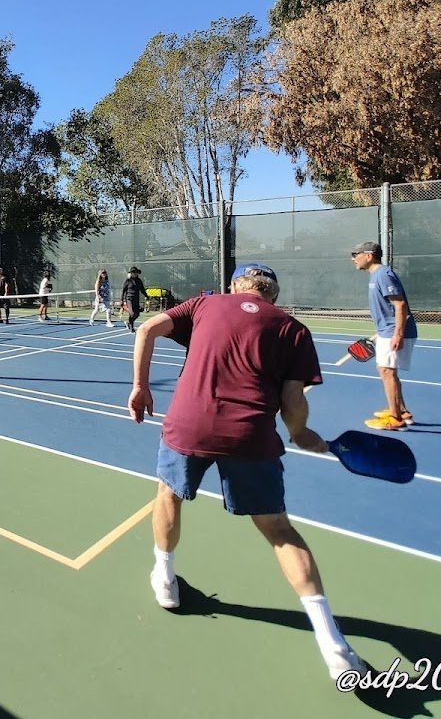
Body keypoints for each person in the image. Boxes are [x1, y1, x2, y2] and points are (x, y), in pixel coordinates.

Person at [127, 263, 364, 682]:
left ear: (235, 286)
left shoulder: (205, 304)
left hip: (189, 424)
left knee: (168, 495)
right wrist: (300, 433)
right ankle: (334, 646)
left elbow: (146, 329)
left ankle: (164, 579)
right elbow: (293, 401)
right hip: (250, 436)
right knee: (280, 531)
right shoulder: (293, 329)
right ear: (273, 294)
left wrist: (140, 386)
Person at [351, 242, 417, 430]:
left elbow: (400, 305)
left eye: (355, 254)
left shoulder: (383, 275)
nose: (353, 259)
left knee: (387, 371)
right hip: (387, 331)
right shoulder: (377, 276)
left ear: (369, 255)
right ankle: (401, 410)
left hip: (393, 332)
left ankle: (395, 419)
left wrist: (398, 334)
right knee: (388, 371)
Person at [120, 266, 146, 332]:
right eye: (133, 272)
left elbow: (142, 289)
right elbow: (123, 291)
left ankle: (129, 323)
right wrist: (121, 300)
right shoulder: (127, 281)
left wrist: (146, 296)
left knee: (137, 314)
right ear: (131, 273)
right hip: (129, 299)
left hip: (136, 299)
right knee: (132, 313)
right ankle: (131, 327)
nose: (135, 273)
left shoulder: (139, 281)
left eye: (136, 272)